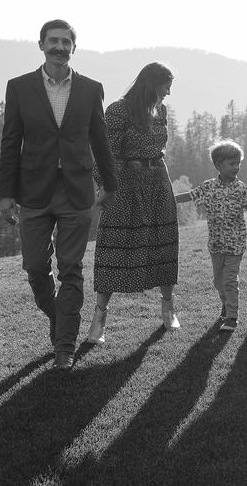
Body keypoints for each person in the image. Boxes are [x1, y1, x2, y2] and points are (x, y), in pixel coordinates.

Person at [0, 19, 118, 371]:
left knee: (71, 269)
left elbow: (100, 139)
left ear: (74, 48)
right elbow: (10, 143)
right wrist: (6, 194)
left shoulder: (91, 88)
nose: (60, 47)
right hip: (33, 192)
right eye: (54, 41)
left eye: (66, 42)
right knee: (35, 268)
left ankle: (64, 346)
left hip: (77, 192)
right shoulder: (19, 87)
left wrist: (109, 183)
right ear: (41, 45)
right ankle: (58, 318)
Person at [87, 62, 180, 343]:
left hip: (158, 181)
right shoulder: (118, 110)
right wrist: (104, 185)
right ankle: (99, 320)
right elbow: (105, 152)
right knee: (113, 247)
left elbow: (160, 147)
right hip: (125, 184)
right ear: (151, 84)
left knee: (164, 242)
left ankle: (168, 308)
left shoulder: (160, 110)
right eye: (165, 87)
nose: (168, 94)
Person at [174, 140, 247, 332]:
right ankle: (226, 303)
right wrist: (170, 198)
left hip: (235, 244)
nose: (236, 167)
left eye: (238, 163)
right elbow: (191, 195)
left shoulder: (242, 189)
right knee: (218, 281)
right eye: (231, 164)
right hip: (216, 244)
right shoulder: (208, 187)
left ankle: (232, 317)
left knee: (230, 280)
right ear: (218, 165)